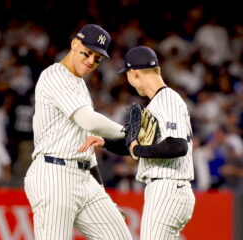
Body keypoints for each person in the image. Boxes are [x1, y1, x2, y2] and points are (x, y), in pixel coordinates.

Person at [24, 24, 133, 240]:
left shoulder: (79, 84)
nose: (91, 61)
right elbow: (89, 121)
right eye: (87, 53)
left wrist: (102, 192)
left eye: (97, 58)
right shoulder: (55, 75)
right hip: (54, 173)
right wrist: (128, 132)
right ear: (74, 44)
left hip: (83, 177)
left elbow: (87, 145)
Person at [79, 46, 195, 239]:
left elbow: (178, 146)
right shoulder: (159, 102)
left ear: (134, 73)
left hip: (168, 188)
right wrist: (106, 142)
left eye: (127, 75)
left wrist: (139, 149)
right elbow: (136, 146)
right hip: (169, 189)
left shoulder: (167, 99)